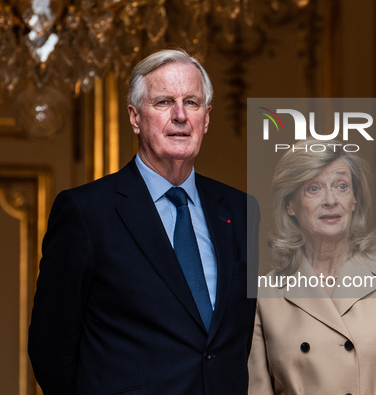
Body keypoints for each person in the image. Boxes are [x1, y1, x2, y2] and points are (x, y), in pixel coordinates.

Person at [28, 48, 259, 394]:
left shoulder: (242, 211)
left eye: (192, 103)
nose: (180, 115)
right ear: (135, 118)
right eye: (164, 102)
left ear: (206, 119)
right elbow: (50, 349)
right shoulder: (86, 212)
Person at [248, 140, 376, 395]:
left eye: (341, 186)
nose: (330, 200)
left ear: (355, 200)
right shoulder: (264, 294)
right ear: (290, 205)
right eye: (314, 188)